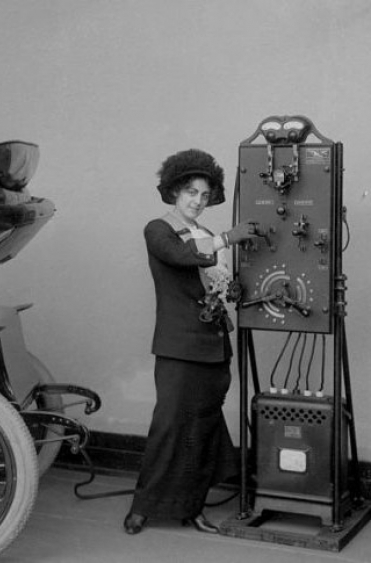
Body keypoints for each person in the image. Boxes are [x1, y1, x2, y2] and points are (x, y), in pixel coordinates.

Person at [124, 148, 257, 535]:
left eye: (204, 195)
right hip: (179, 347)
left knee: (203, 429)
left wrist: (235, 287)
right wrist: (228, 239)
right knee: (169, 428)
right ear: (174, 193)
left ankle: (192, 508)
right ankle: (142, 508)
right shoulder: (158, 230)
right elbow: (180, 256)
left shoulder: (207, 236)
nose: (198, 201)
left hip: (214, 347)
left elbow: (220, 285)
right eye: (190, 193)